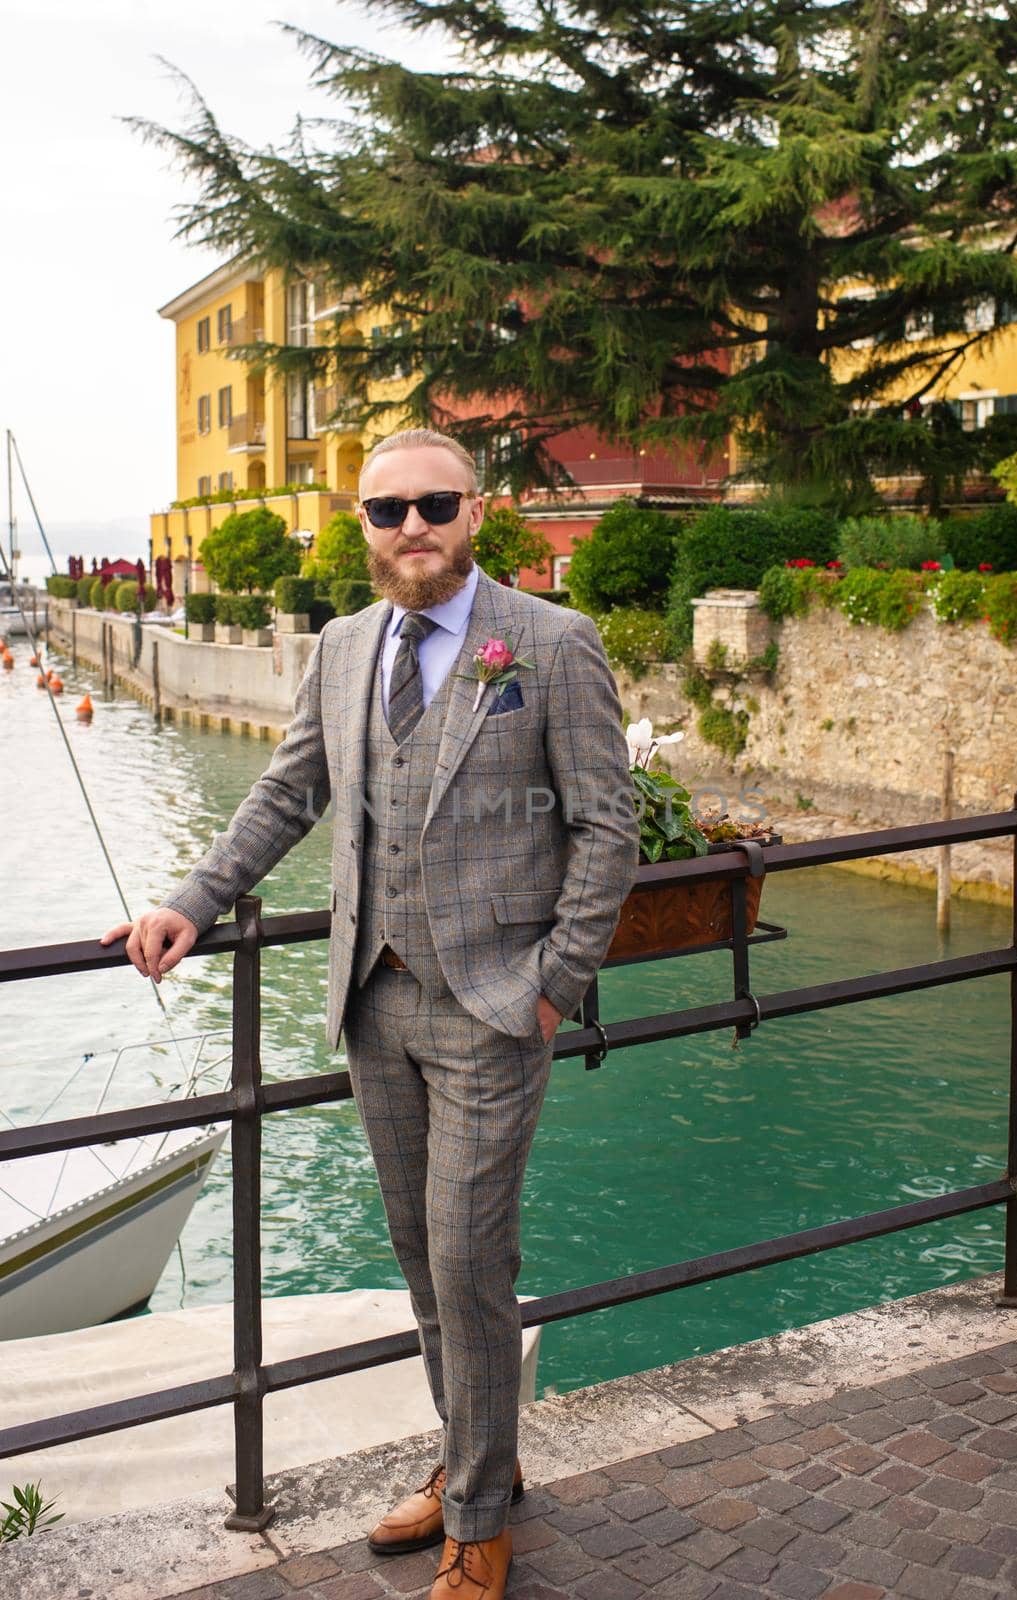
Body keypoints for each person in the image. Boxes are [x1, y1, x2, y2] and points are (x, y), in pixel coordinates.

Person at [100, 427, 640, 1600]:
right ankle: (467, 1466)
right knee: (418, 1257)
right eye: (387, 510)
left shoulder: (551, 642)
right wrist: (192, 899)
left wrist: (557, 984)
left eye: (434, 505)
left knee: (467, 1257)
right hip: (371, 999)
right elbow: (291, 788)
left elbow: (607, 827)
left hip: (497, 1007)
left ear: (476, 513)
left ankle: (480, 1520)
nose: (412, 528)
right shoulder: (345, 645)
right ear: (360, 523)